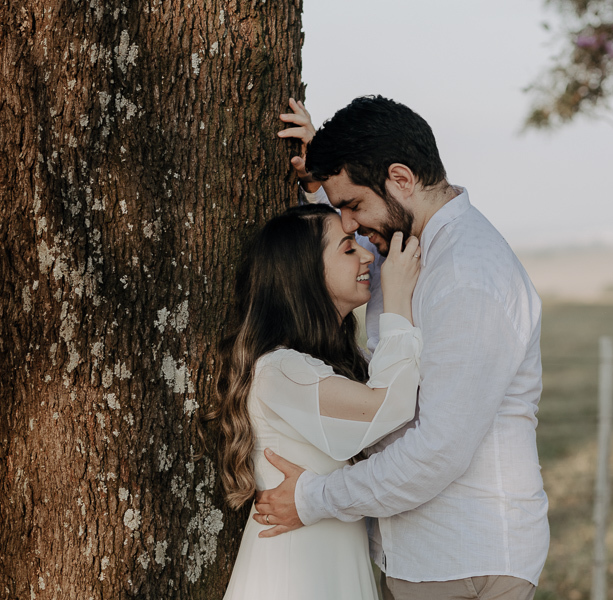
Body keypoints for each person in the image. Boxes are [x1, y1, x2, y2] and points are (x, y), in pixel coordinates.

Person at [255, 95, 550, 600]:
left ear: (402, 178)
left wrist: (311, 499)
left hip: (463, 556)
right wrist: (319, 181)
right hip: (427, 554)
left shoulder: (468, 277)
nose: (349, 223)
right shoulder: (407, 242)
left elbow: (437, 451)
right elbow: (330, 257)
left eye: (353, 205)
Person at [207, 202, 423, 599]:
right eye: (348, 248)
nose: (367, 255)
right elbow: (386, 405)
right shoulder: (281, 370)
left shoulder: (324, 363)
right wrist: (397, 303)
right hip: (298, 573)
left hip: (331, 560)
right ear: (305, 274)